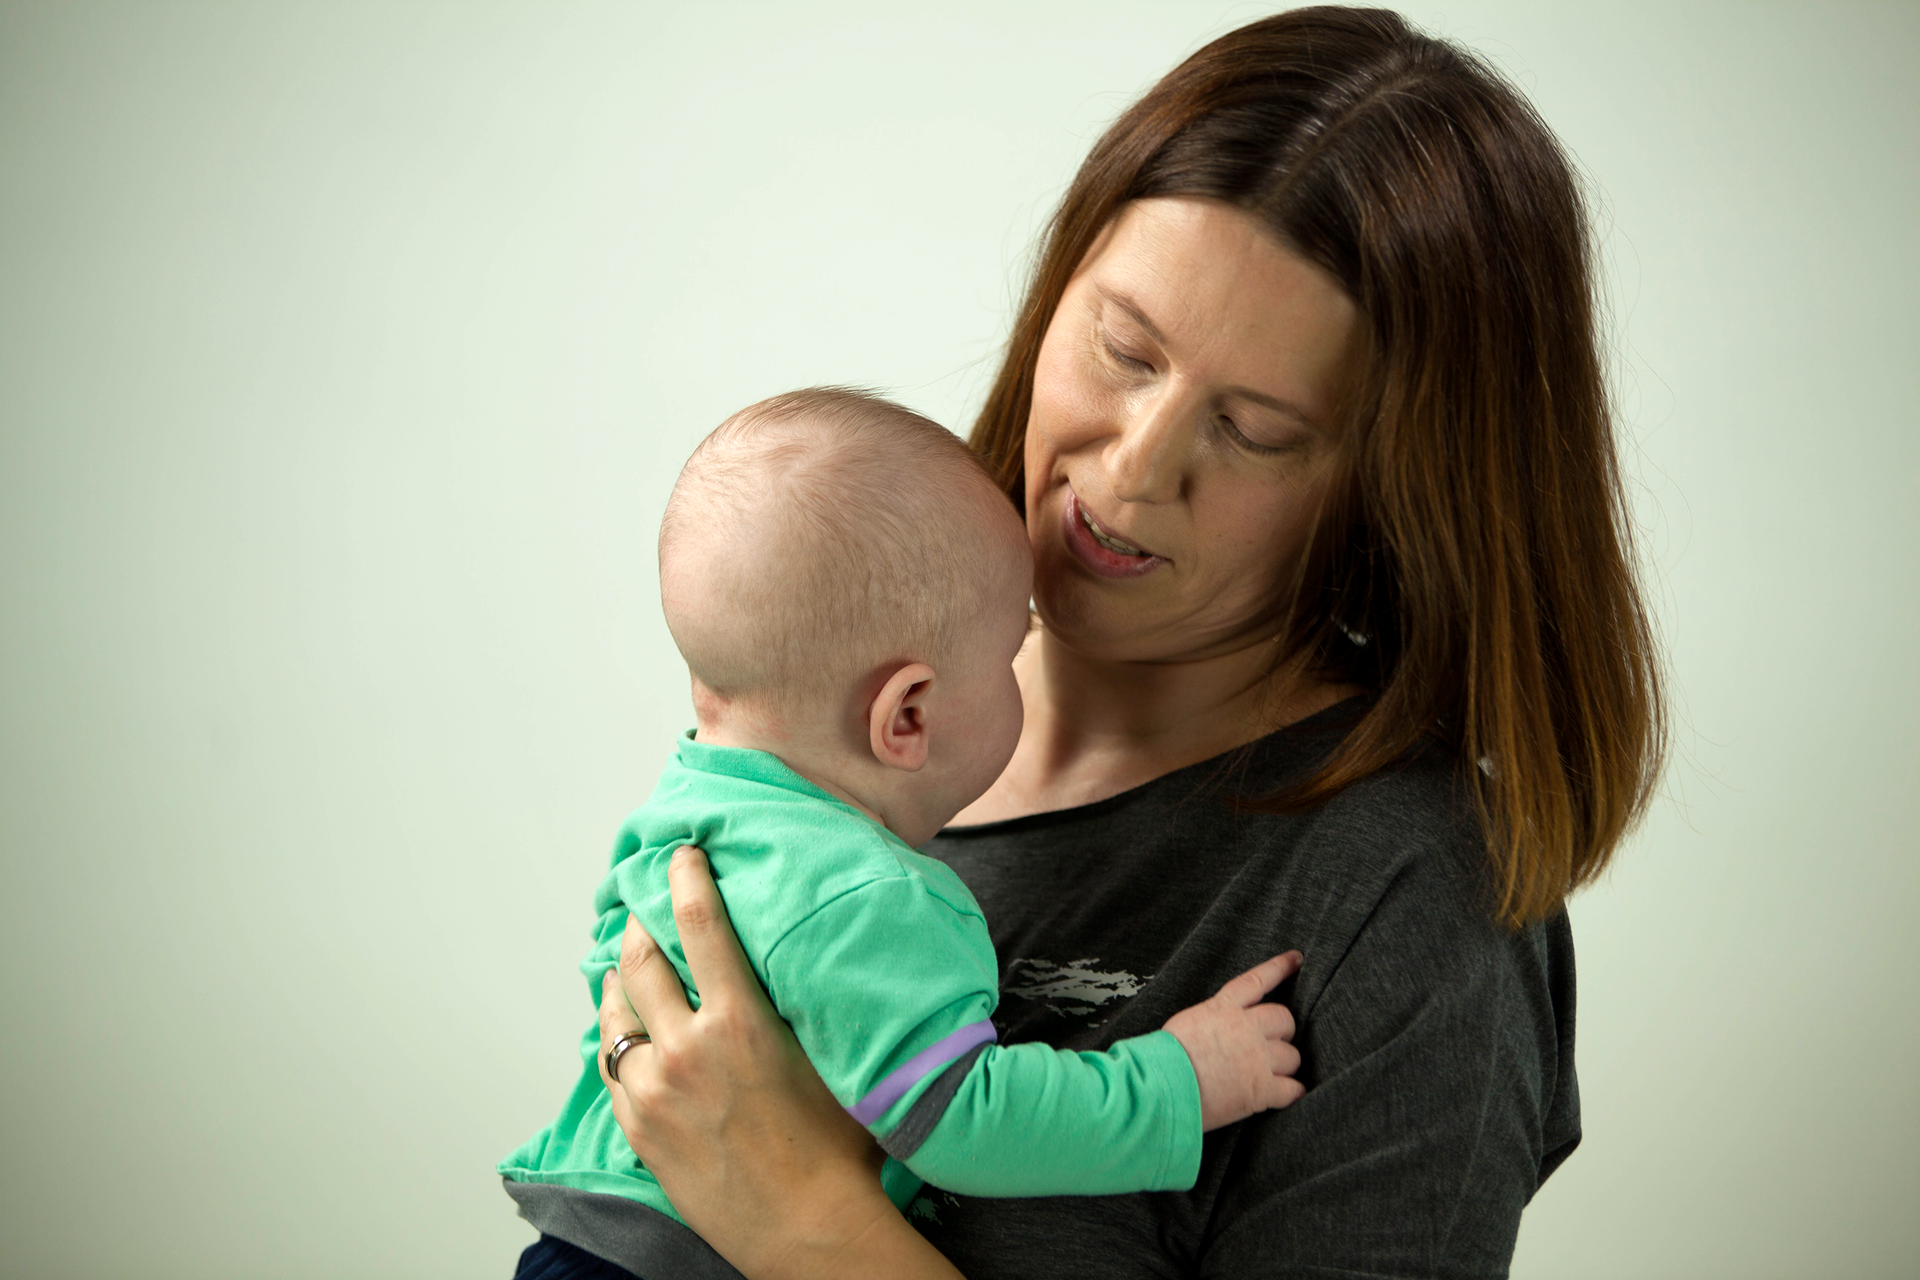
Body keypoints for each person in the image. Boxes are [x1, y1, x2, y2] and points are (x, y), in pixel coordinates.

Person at [587, 7, 1664, 1279]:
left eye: (1254, 428)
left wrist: (801, 1221)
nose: (1135, 469)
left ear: (1393, 489)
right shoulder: (846, 714)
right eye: (1123, 348)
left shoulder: (1397, 891)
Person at [502, 389, 1311, 1280]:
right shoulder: (867, 896)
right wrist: (1178, 1084)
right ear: (908, 715)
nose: (1028, 671)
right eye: (1014, 651)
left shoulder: (689, 806)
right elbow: (959, 1120)